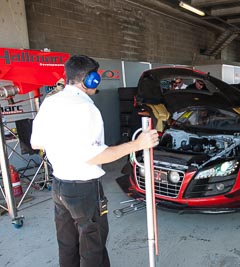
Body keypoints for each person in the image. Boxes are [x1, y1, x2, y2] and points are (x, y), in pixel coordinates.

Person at [30, 55, 159, 267]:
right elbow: (96, 156)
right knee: (92, 246)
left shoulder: (50, 102)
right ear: (90, 80)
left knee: (67, 244)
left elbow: (36, 143)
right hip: (84, 190)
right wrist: (138, 144)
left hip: (59, 187)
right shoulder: (86, 108)